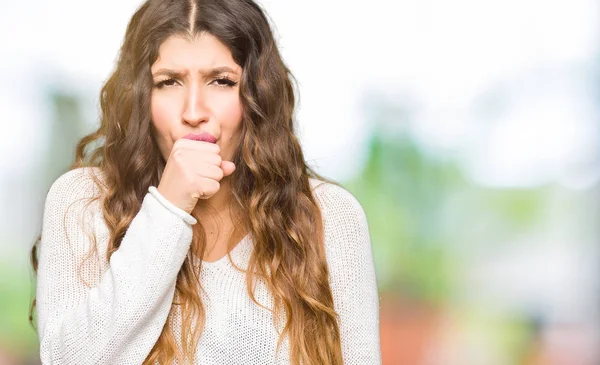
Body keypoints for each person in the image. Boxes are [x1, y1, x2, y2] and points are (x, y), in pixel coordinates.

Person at [29, 0, 381, 364]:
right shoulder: (83, 203)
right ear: (140, 98)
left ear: (257, 95)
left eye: (221, 81)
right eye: (168, 82)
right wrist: (167, 209)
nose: (194, 112)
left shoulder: (329, 217)